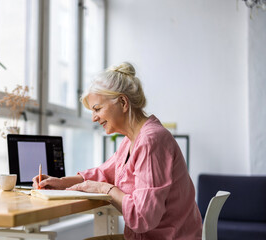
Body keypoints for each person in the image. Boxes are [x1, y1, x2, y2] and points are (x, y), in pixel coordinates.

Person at [33, 62, 202, 240]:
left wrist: (105, 189)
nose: (94, 118)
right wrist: (61, 182)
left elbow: (143, 216)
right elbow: (103, 174)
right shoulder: (131, 140)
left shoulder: (151, 141)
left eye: (97, 109)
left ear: (123, 102)